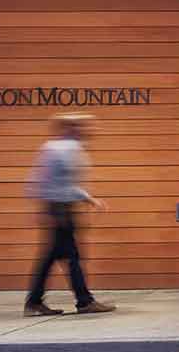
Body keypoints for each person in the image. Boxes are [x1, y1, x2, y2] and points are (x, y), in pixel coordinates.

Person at [25, 114, 117, 317]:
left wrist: (43, 207)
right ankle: (84, 301)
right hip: (60, 209)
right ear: (73, 128)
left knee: (52, 257)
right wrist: (90, 199)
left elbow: (40, 180)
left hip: (56, 207)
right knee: (71, 256)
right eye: (86, 126)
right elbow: (61, 183)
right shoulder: (67, 149)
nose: (91, 130)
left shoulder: (54, 147)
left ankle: (34, 301)